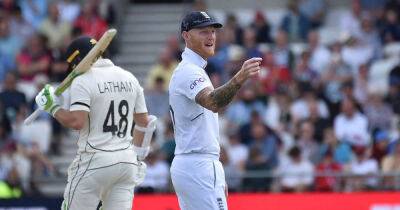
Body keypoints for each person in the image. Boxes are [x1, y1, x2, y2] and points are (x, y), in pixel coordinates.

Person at [33, 36, 156, 210]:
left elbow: (76, 122)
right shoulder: (129, 77)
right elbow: (145, 123)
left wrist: (52, 107)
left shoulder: (83, 80)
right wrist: (138, 155)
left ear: (76, 60)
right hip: (126, 163)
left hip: (95, 161)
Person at [169, 11, 262, 210]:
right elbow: (213, 102)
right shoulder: (189, 71)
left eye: (212, 31)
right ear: (186, 35)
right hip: (198, 165)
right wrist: (240, 77)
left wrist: (216, 175)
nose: (211, 36)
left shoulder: (193, 69)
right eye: (203, 31)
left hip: (197, 164)